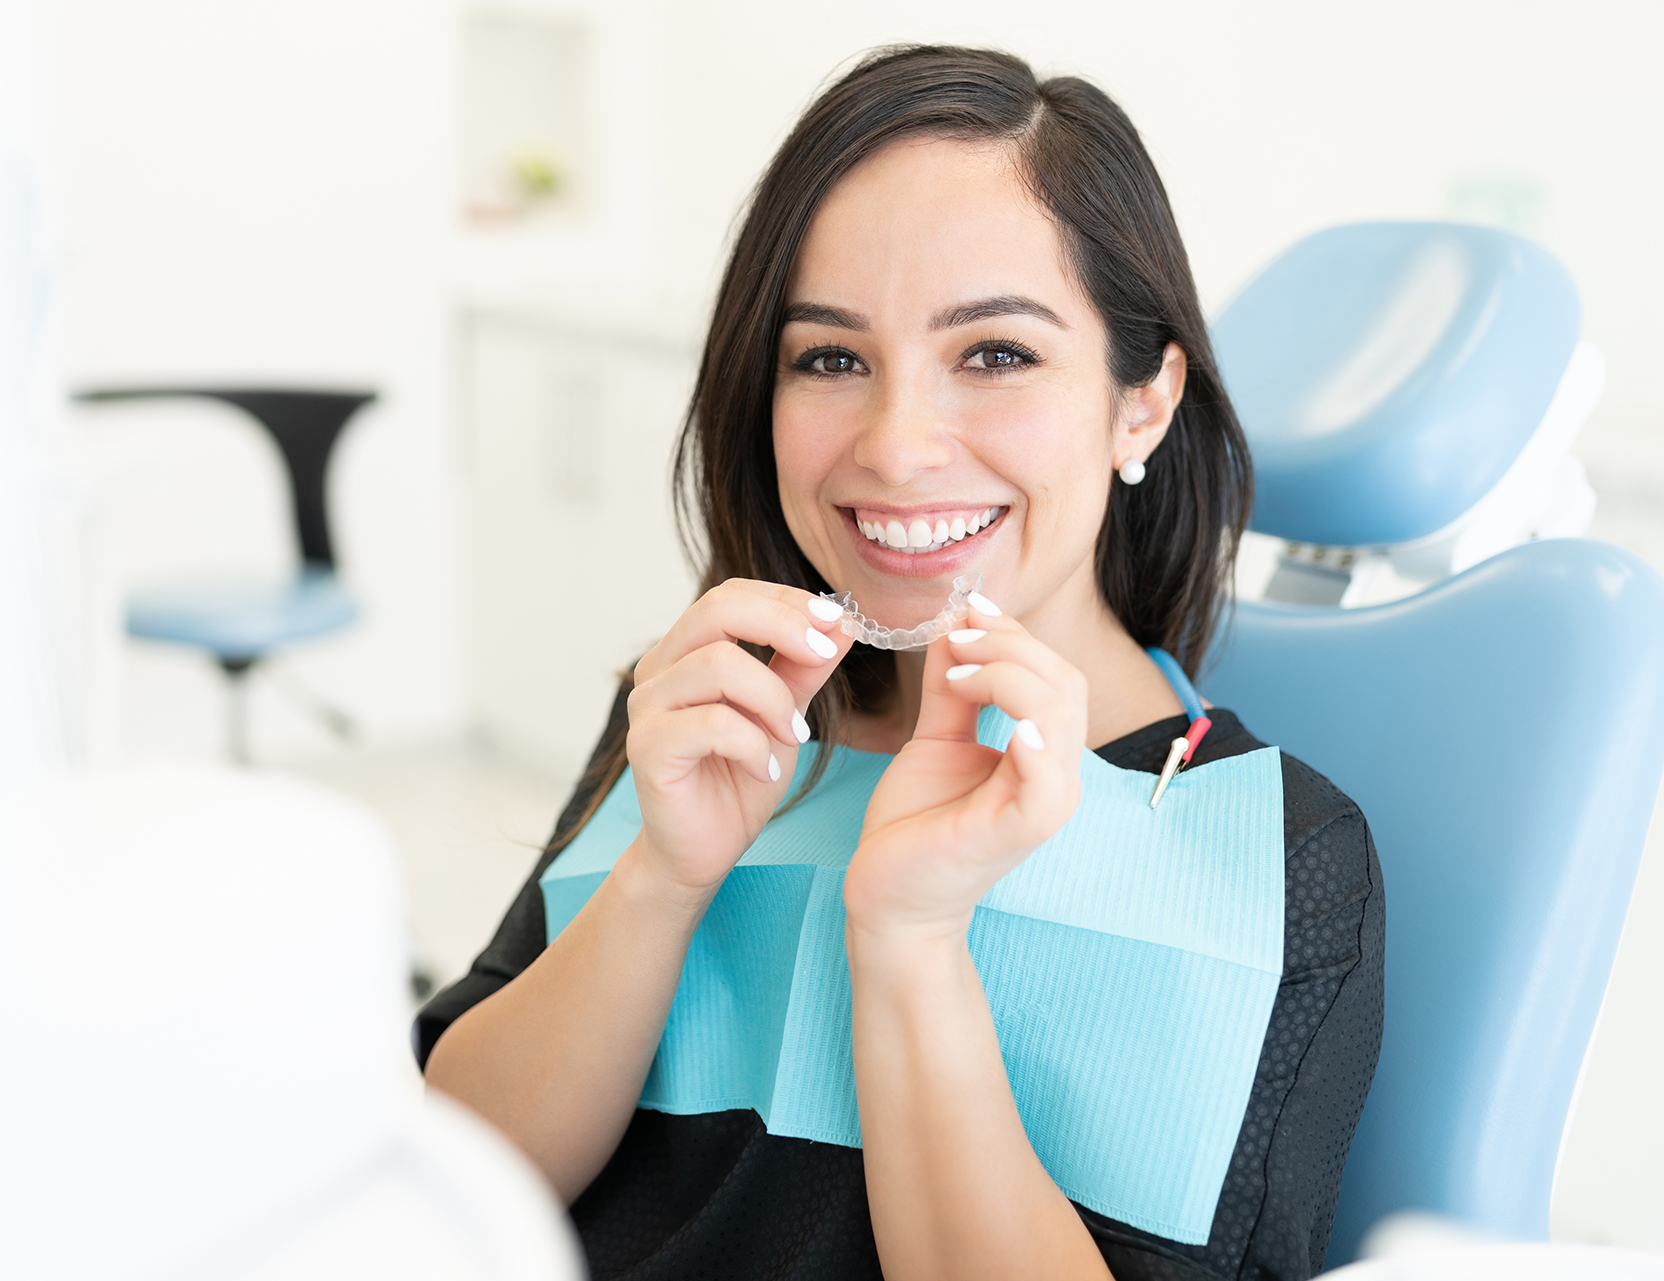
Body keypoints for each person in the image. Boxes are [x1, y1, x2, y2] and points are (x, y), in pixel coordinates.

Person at [419, 44, 1384, 1281]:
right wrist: (663, 878)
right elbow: (440, 1183)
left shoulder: (1276, 852)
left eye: (995, 354)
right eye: (830, 359)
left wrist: (912, 937)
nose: (898, 445)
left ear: (1140, 405)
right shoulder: (710, 713)